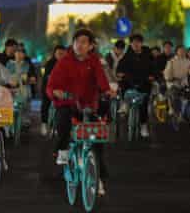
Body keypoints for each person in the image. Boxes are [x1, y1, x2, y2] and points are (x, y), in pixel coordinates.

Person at [46, 29, 111, 196]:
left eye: (84, 42)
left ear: (90, 46)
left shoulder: (94, 61)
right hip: (68, 102)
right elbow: (52, 84)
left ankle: (98, 176)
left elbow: (102, 81)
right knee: (64, 119)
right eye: (77, 41)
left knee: (98, 135)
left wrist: (107, 91)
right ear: (73, 43)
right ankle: (62, 150)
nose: (79, 45)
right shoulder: (65, 61)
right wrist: (56, 92)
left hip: (88, 104)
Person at [116, 34, 155, 138]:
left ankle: (143, 126)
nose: (136, 44)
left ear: (141, 43)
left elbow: (153, 67)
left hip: (144, 83)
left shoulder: (147, 55)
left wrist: (152, 76)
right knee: (123, 84)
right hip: (129, 82)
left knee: (144, 104)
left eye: (138, 42)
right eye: (133, 42)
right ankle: (125, 103)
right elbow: (120, 67)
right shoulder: (127, 55)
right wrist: (120, 73)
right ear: (131, 44)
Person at [6, 46, 37, 128]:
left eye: (21, 53)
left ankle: (25, 122)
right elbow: (5, 78)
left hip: (24, 90)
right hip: (12, 90)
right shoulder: (9, 64)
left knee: (25, 106)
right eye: (17, 52)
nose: (19, 54)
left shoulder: (28, 65)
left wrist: (27, 80)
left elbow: (33, 78)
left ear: (24, 55)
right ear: (14, 54)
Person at [40, 45, 66, 136]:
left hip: (62, 89)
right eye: (58, 53)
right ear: (54, 54)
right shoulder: (50, 63)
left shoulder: (67, 63)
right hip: (49, 87)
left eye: (62, 54)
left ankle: (55, 126)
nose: (60, 55)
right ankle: (44, 123)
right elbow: (48, 77)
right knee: (45, 104)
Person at [164, 45, 190, 116]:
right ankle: (175, 112)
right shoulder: (171, 61)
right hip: (173, 83)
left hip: (184, 83)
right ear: (177, 52)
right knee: (174, 94)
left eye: (184, 50)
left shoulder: (188, 61)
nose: (182, 52)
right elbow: (167, 73)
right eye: (180, 50)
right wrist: (170, 78)